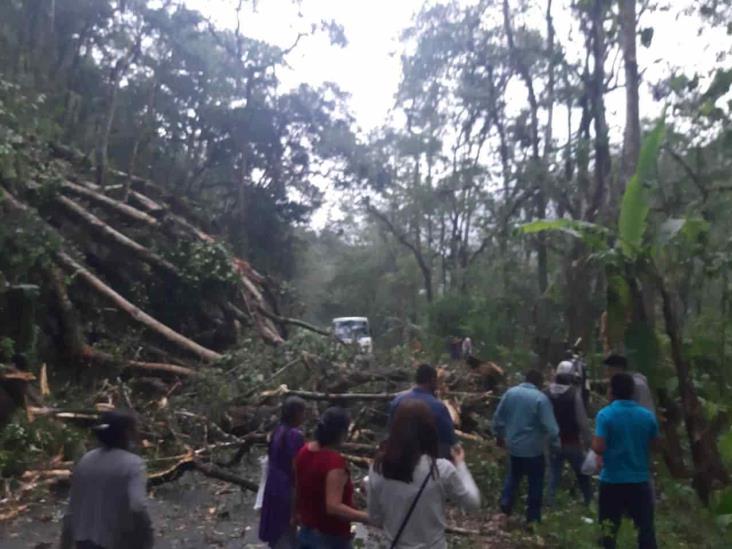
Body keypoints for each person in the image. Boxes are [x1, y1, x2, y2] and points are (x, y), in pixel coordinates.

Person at [368, 400, 480, 548]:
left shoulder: (378, 468)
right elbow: (472, 503)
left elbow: (375, 518)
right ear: (429, 431)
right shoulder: (440, 469)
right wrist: (460, 465)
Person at [61, 410, 153, 549]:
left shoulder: (86, 459)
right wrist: (147, 535)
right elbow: (137, 505)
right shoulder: (133, 464)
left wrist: (64, 544)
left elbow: (72, 508)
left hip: (85, 542)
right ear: (126, 434)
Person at [593, 373, 660, 549]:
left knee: (608, 531)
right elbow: (655, 446)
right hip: (639, 480)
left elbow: (599, 447)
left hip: (612, 480)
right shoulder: (647, 416)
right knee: (645, 530)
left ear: (612, 391)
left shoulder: (605, 415)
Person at [294, 407, 368, 549]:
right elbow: (333, 507)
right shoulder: (334, 462)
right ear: (341, 433)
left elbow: (296, 488)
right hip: (330, 537)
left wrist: (295, 514)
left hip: (306, 531)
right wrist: (367, 517)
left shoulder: (304, 451)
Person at [492, 370, 560, 523]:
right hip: (534, 451)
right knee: (535, 483)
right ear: (540, 383)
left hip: (514, 448)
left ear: (525, 379)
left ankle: (505, 504)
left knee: (513, 476)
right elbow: (552, 429)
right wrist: (554, 445)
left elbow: (497, 418)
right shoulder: (541, 399)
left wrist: (499, 436)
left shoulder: (510, 393)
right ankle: (533, 518)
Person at [259, 396, 307, 549]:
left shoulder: (277, 430)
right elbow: (296, 466)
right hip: (286, 486)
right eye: (303, 413)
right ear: (297, 413)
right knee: (287, 526)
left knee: (277, 527)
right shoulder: (294, 435)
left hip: (273, 484)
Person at [389, 364, 457, 459]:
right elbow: (449, 440)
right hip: (429, 461)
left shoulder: (397, 401)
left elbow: (391, 431)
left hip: (399, 460)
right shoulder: (438, 406)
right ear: (433, 380)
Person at [544, 372, 592, 506]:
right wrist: (588, 440)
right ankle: (588, 500)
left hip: (553, 441)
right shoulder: (573, 394)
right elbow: (582, 420)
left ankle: (550, 503)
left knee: (553, 474)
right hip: (572, 441)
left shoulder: (546, 393)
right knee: (582, 473)